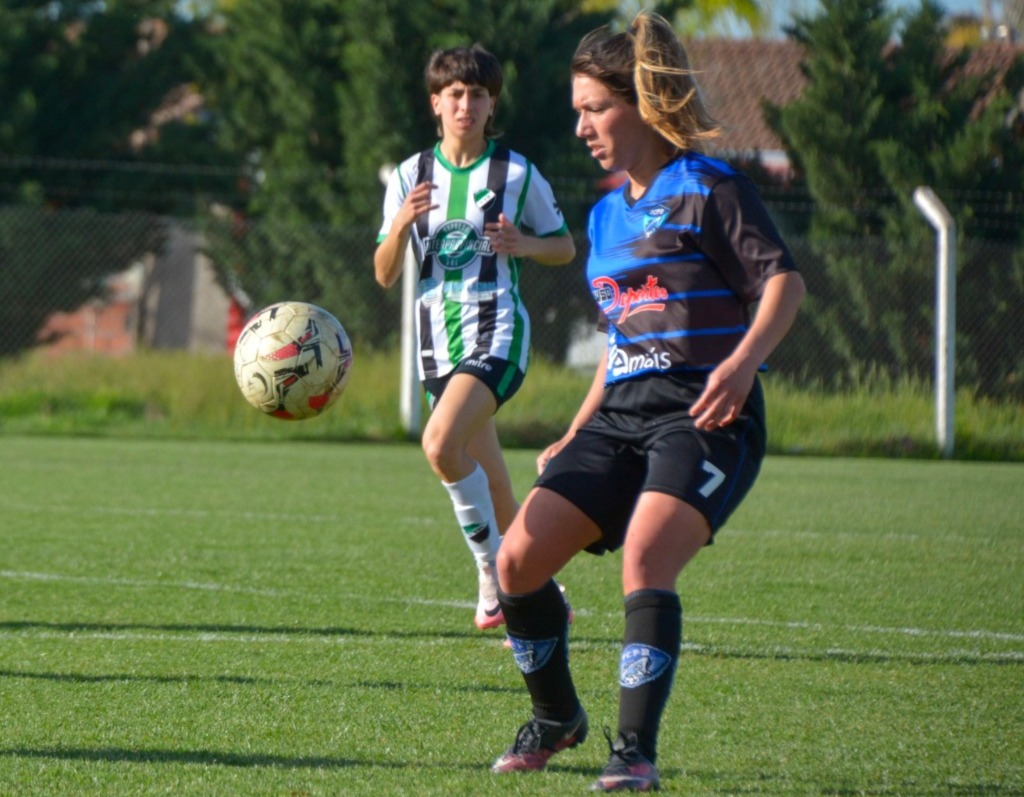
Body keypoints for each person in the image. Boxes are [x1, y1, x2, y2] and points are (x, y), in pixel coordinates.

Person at [489, 11, 806, 792]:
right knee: (515, 563)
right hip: (621, 413)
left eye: (594, 107)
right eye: (578, 109)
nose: (581, 124)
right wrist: (572, 430)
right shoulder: (602, 216)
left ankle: (634, 753)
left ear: (640, 103)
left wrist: (740, 365)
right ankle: (558, 717)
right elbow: (621, 341)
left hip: (706, 414)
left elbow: (785, 282)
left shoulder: (709, 188)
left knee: (646, 556)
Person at [374, 45, 576, 632]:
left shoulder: (515, 172)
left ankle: (493, 582)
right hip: (437, 341)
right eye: (456, 94)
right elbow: (385, 273)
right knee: (493, 487)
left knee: (439, 445)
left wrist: (525, 245)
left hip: (497, 329)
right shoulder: (411, 175)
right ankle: (540, 593)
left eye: (479, 95)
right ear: (436, 103)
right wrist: (403, 226)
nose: (467, 104)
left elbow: (563, 246)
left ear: (492, 105)